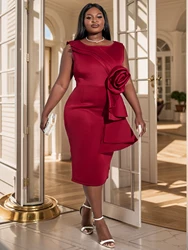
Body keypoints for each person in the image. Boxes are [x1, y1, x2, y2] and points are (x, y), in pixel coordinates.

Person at [40, 3, 146, 249]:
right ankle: (100, 221)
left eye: (99, 16)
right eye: (89, 17)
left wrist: (138, 113)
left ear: (105, 21)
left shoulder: (119, 48)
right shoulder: (72, 49)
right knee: (91, 165)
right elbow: (60, 84)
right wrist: (47, 110)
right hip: (80, 113)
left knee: (100, 166)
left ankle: (86, 208)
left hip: (109, 112)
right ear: (83, 22)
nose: (94, 20)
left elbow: (126, 82)